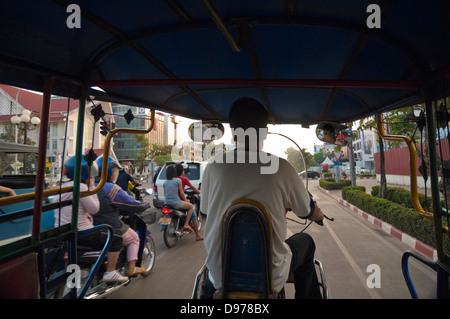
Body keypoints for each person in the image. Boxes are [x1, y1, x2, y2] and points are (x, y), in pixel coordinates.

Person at [200, 97, 324, 299]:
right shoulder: (282, 167)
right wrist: (318, 215)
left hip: (220, 279)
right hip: (272, 278)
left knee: (206, 279)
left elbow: (204, 212)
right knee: (306, 242)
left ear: (232, 130)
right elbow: (307, 211)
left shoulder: (213, 166)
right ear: (265, 131)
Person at [53, 156, 128, 283]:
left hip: (62, 233)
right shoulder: (82, 188)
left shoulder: (63, 186)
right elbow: (94, 209)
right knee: (116, 239)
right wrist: (93, 188)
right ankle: (110, 272)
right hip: (82, 233)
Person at [94, 156, 151, 277]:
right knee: (135, 238)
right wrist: (144, 205)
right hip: (109, 225)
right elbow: (131, 203)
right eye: (115, 172)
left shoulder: (88, 186)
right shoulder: (110, 188)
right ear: (110, 172)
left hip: (91, 226)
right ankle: (132, 268)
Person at [175, 163, 203, 241]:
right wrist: (198, 191)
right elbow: (192, 188)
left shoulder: (173, 179)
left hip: (171, 202)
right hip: (180, 202)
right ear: (182, 172)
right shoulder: (184, 179)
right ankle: (197, 235)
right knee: (193, 213)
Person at [163, 165, 194, 232]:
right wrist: (186, 200)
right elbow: (182, 194)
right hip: (176, 202)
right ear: (174, 172)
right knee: (191, 206)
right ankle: (186, 224)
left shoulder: (165, 182)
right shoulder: (178, 180)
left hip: (166, 203)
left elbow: (165, 195)